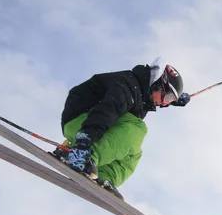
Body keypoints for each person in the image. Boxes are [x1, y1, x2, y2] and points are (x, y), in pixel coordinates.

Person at [51, 57, 190, 200]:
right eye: (167, 98)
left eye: (169, 101)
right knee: (136, 129)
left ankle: (104, 177)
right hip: (81, 119)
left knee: (133, 153)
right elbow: (106, 112)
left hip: (92, 126)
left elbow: (152, 99)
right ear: (158, 84)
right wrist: (83, 141)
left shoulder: (143, 94)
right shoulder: (128, 87)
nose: (164, 104)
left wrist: (177, 100)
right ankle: (82, 155)